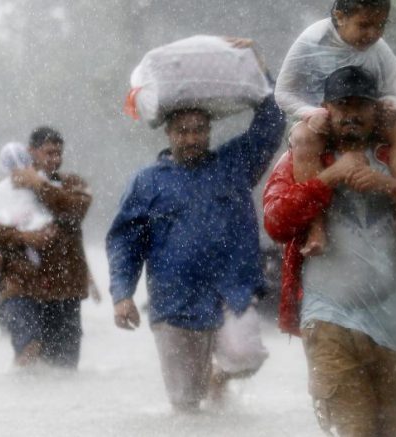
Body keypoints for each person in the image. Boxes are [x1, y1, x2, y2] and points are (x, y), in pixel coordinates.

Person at [263, 66, 396, 436]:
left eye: (361, 105)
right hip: (327, 321)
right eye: (342, 105)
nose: (351, 114)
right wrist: (328, 178)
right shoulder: (301, 158)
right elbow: (275, 222)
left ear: (378, 110)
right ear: (326, 109)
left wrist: (394, 188)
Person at [106, 52, 286, 411]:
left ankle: (218, 378)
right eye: (183, 131)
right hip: (174, 301)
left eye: (199, 130)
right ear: (169, 132)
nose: (192, 138)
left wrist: (259, 66)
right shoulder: (147, 182)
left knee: (246, 354)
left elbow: (272, 122)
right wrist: (122, 294)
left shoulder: (234, 164)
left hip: (230, 289)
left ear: (209, 130)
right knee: (186, 408)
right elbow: (125, 241)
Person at [275, 0, 396, 257]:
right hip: (322, 121)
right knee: (302, 137)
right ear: (340, 16)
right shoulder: (313, 40)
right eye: (364, 25)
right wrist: (310, 114)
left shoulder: (379, 47)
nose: (373, 34)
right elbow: (283, 92)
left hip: (365, 119)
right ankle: (316, 225)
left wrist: (392, 103)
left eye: (380, 25)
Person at [0, 127, 92, 368]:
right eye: (49, 153)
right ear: (31, 153)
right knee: (29, 350)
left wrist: (39, 185)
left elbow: (74, 211)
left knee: (65, 367)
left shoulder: (72, 184)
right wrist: (23, 237)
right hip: (20, 287)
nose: (55, 159)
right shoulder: (1, 191)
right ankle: (19, 402)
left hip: (64, 287)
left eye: (59, 153)